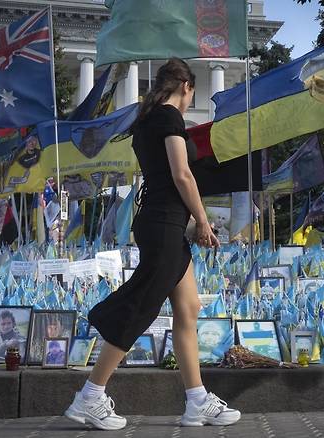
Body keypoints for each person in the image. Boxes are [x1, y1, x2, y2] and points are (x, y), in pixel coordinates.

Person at [65, 59, 240, 430]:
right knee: (142, 306)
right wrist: (204, 220)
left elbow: (166, 176)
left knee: (189, 307)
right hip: (163, 224)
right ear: (186, 86)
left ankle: (196, 401)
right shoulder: (169, 118)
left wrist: (190, 221)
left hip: (164, 223)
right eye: (191, 94)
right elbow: (181, 174)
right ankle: (89, 396)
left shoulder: (147, 120)